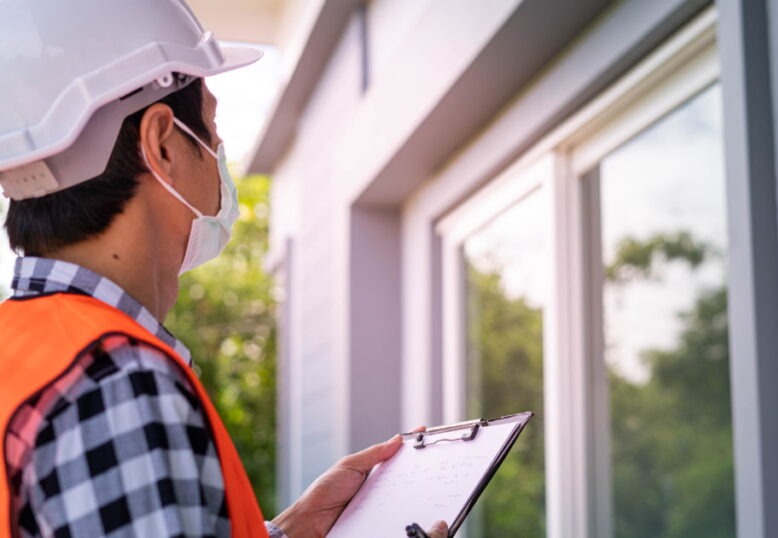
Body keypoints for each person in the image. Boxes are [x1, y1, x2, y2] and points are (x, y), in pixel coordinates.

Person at [0, 1, 446, 537]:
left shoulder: (23, 350)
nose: (217, 154)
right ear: (162, 143)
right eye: (211, 129)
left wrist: (286, 531)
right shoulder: (118, 382)